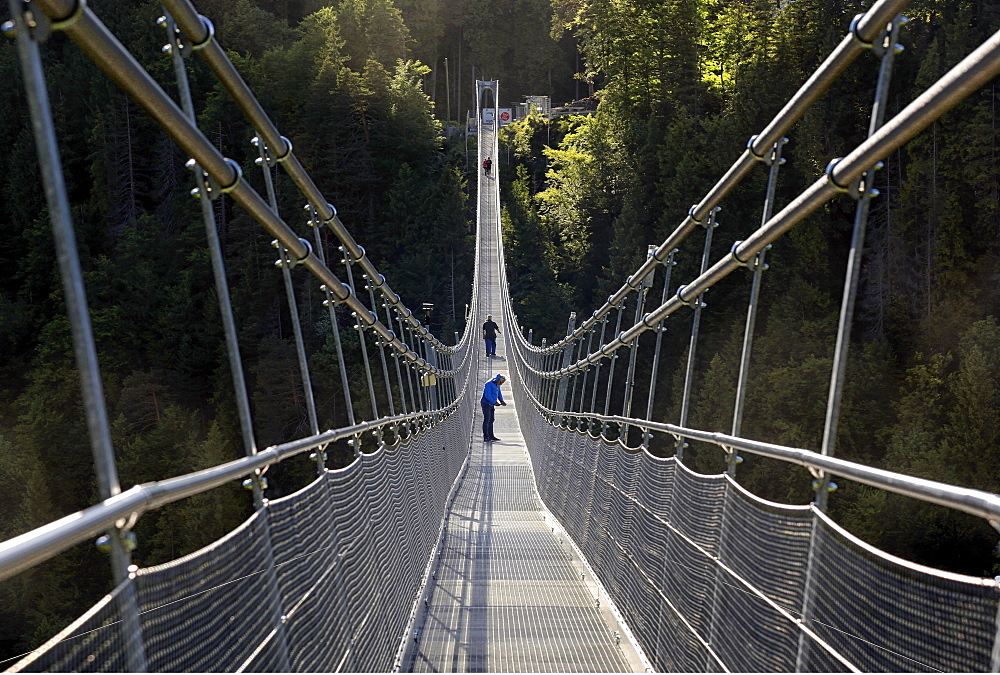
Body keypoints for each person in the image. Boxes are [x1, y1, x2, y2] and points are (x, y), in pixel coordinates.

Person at [481, 374, 506, 442]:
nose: (501, 384)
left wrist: (501, 401)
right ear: (498, 380)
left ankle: (491, 435)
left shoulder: (497, 385)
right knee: (487, 419)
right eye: (501, 382)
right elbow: (487, 395)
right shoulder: (488, 384)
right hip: (486, 404)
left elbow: (499, 393)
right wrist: (494, 402)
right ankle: (486, 436)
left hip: (491, 404)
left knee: (491, 419)